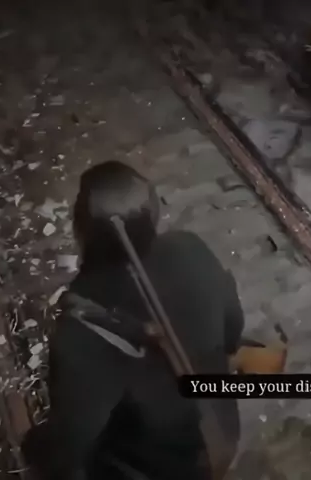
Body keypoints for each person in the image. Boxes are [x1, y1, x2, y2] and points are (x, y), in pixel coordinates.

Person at [22, 160, 245, 480]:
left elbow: (75, 435)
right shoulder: (191, 247)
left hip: (160, 470)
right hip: (222, 431)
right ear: (154, 216)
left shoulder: (80, 331)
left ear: (80, 231)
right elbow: (233, 329)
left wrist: (38, 449)